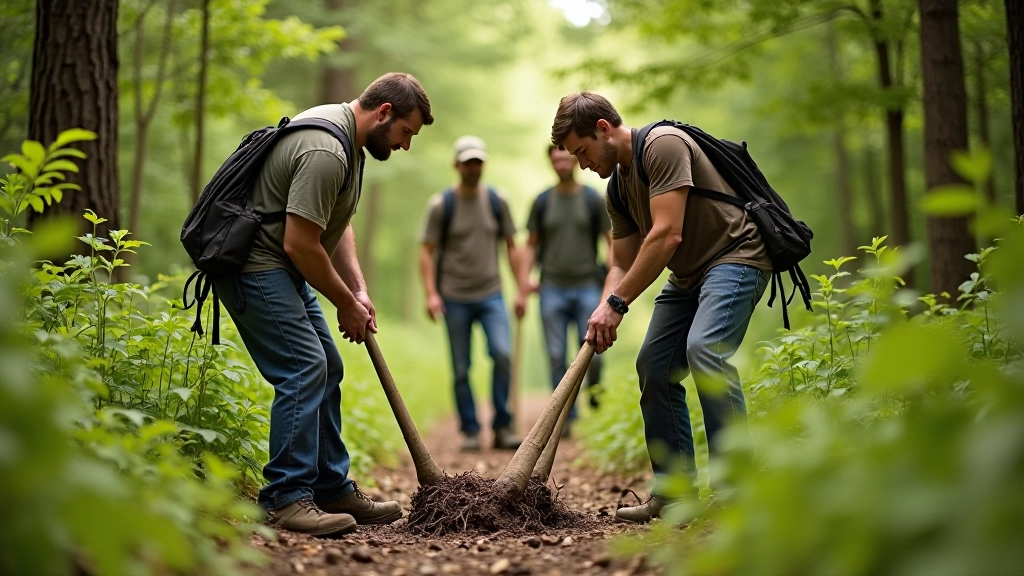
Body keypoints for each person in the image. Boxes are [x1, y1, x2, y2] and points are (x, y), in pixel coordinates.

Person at [213, 72, 433, 537]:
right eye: (406, 133)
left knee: (327, 365)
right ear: (384, 113)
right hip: (255, 266)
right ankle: (286, 499)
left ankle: (330, 487)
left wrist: (357, 289)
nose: (406, 145)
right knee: (303, 367)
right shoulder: (326, 150)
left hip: (282, 266)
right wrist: (344, 304)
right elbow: (301, 243)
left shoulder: (348, 143)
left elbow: (337, 221)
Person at [549, 92, 771, 523]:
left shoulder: (663, 145)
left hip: (736, 255)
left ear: (604, 129)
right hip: (689, 276)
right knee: (653, 365)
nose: (581, 164)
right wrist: (603, 311)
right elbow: (620, 262)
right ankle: (676, 493)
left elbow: (667, 234)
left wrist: (617, 303)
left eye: (582, 151)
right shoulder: (617, 188)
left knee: (705, 349)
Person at [419, 135, 528, 452]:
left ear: (484, 164)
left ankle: (502, 426)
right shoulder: (442, 205)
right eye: (467, 162)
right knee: (462, 368)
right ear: (457, 165)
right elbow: (426, 251)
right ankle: (469, 430)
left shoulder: (497, 201)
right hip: (454, 296)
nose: (473, 167)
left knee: (502, 354)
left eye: (478, 162)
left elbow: (512, 247)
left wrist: (521, 289)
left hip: (491, 294)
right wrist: (431, 294)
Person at [521, 144, 612, 437]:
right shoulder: (542, 201)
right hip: (552, 288)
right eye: (555, 158)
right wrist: (524, 285)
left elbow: (611, 241)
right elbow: (531, 245)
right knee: (557, 354)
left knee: (594, 352)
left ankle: (596, 397)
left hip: (588, 285)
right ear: (551, 162)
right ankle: (565, 417)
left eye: (565, 156)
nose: (561, 162)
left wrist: (614, 282)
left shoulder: (591, 199)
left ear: (574, 159)